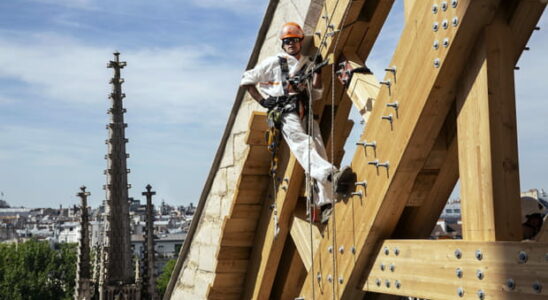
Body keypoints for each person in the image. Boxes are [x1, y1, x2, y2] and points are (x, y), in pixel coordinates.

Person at [241, 22, 354, 224]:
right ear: (283, 44)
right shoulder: (274, 62)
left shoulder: (307, 64)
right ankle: (331, 175)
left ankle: (325, 202)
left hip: (304, 110)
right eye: (287, 41)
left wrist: (317, 72)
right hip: (285, 112)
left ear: (300, 41)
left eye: (294, 40)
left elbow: (317, 92)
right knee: (304, 146)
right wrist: (264, 101)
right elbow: (247, 79)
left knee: (319, 150)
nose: (291, 44)